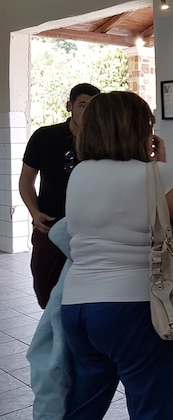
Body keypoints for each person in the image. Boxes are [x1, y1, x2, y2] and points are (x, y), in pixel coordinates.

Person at [60, 91, 173, 420]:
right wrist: (161, 166)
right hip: (136, 308)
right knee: (152, 408)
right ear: (140, 130)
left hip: (77, 307)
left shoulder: (79, 174)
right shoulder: (155, 175)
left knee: (85, 404)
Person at [19, 83, 101, 309]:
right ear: (69, 106)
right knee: (46, 291)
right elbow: (27, 179)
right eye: (83, 105)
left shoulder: (105, 143)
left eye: (94, 106)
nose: (88, 111)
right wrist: (35, 213)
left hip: (91, 230)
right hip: (50, 226)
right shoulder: (44, 136)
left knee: (85, 296)